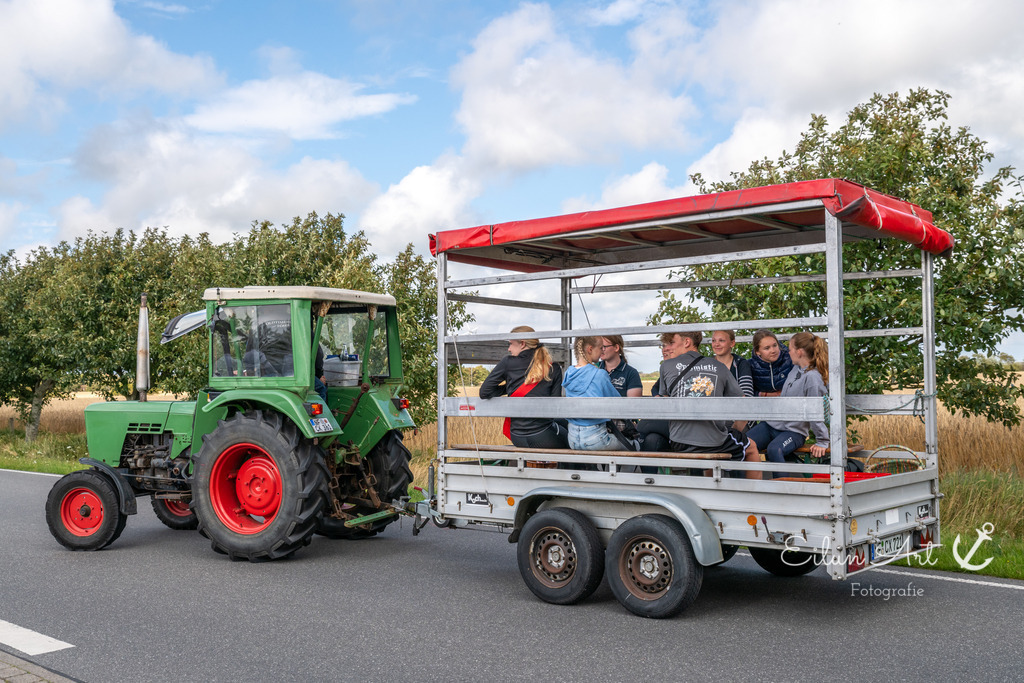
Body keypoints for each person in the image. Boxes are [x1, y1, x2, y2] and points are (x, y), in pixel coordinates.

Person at [659, 331, 761, 476]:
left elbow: (664, 402)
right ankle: (754, 495)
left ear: (687, 342)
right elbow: (743, 404)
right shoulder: (718, 366)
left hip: (679, 442)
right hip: (714, 442)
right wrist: (735, 430)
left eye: (671, 343)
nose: (668, 348)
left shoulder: (666, 366)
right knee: (751, 448)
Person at [746, 332, 830, 478]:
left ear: (799, 352)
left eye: (790, 349)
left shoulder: (813, 378)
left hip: (794, 431)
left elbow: (815, 412)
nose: (787, 352)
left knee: (774, 449)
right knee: (743, 443)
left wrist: (822, 441)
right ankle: (745, 489)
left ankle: (781, 494)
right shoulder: (795, 369)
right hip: (772, 425)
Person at [479, 326, 568, 449]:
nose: (509, 349)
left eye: (511, 344)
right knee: (571, 438)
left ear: (522, 344)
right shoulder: (553, 368)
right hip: (543, 436)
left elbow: (484, 392)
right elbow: (555, 408)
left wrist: (510, 388)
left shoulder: (507, 362)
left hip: (517, 436)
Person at [562, 336, 623, 451]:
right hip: (596, 438)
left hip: (572, 439)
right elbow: (617, 402)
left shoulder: (568, 373)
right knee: (630, 445)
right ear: (590, 349)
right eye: (600, 348)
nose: (602, 351)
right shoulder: (600, 374)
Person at [710, 330, 753, 432]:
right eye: (713, 340)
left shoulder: (741, 364)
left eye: (721, 340)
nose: (716, 344)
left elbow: (746, 398)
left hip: (738, 419)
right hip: (713, 419)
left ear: (732, 343)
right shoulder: (707, 364)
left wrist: (734, 431)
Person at [749, 329, 793, 397]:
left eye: (775, 345)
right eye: (767, 348)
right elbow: (744, 391)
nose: (773, 351)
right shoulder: (750, 365)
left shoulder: (790, 358)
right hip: (762, 405)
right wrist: (764, 394)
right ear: (757, 351)